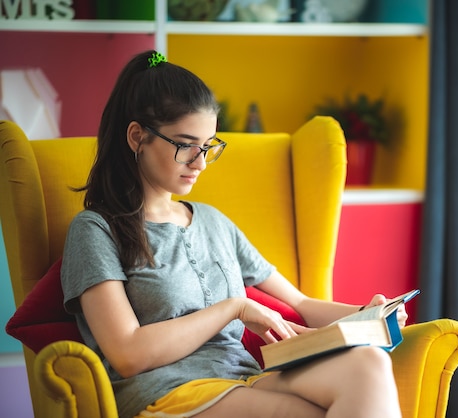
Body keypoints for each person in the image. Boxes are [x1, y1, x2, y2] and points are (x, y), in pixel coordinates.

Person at [61, 50, 406, 418]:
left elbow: (302, 305)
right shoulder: (95, 230)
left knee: (369, 365)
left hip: (243, 378)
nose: (200, 162)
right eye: (185, 145)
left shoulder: (212, 222)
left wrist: (368, 315)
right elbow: (127, 354)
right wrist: (233, 308)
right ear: (136, 137)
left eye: (208, 146)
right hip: (167, 392)